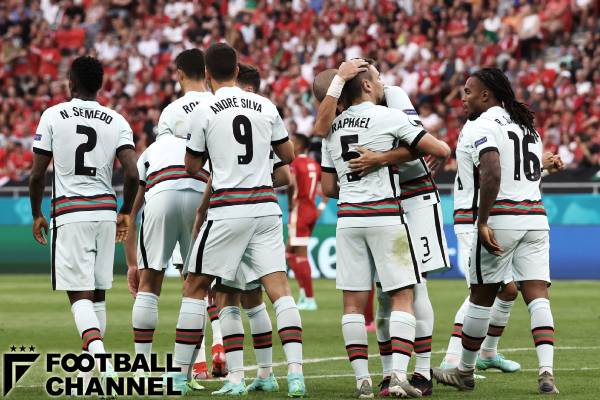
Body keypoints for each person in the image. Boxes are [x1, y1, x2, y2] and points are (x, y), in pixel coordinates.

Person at [169, 43, 305, 397]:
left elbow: (191, 166)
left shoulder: (204, 109)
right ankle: (295, 375)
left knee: (195, 287)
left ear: (208, 74)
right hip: (266, 208)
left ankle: (180, 376)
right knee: (279, 291)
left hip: (228, 208)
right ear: (237, 69)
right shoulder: (265, 105)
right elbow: (288, 155)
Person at [312, 63, 449, 396]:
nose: (381, 81)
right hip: (387, 211)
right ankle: (396, 375)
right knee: (399, 295)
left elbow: (328, 187)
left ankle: (387, 378)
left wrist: (370, 168)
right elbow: (438, 149)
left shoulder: (343, 123)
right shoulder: (383, 115)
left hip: (369, 211)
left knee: (370, 300)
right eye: (376, 77)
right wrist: (380, 165)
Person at [432, 68, 559, 395]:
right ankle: (546, 372)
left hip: (496, 217)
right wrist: (543, 166)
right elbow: (520, 172)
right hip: (534, 218)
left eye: (468, 92)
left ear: (486, 95)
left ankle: (462, 369)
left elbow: (492, 171)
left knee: (480, 296)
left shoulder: (481, 125)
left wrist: (483, 220)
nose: (463, 99)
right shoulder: (527, 127)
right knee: (536, 295)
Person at [29, 55, 138, 391]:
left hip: (71, 212)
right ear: (100, 85)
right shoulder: (116, 119)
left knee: (79, 297)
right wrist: (126, 211)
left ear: (71, 83)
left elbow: (36, 175)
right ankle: (88, 376)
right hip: (105, 213)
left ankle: (102, 362)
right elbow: (133, 174)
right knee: (98, 295)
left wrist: (36, 213)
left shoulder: (52, 115)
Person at [123, 49, 220, 388]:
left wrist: (132, 263)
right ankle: (185, 374)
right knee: (195, 287)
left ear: (179, 74)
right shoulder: (217, 106)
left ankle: (140, 370)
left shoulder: (162, 130)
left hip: (160, 189)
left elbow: (132, 208)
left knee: (149, 284)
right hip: (202, 189)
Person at [198, 62, 292, 393]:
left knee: (228, 295)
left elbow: (204, 172)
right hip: (263, 212)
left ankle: (238, 376)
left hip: (231, 213)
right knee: (256, 298)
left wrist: (239, 182)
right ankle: (272, 374)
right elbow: (285, 170)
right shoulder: (265, 114)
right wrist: (258, 179)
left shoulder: (220, 114)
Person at [287, 132, 327, 310]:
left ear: (299, 146)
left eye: (292, 142)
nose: (290, 144)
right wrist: (321, 208)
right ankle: (304, 292)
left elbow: (290, 184)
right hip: (312, 211)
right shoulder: (315, 165)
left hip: (300, 211)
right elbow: (327, 187)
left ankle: (310, 299)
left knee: (300, 255)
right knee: (289, 253)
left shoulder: (295, 164)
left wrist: (290, 204)